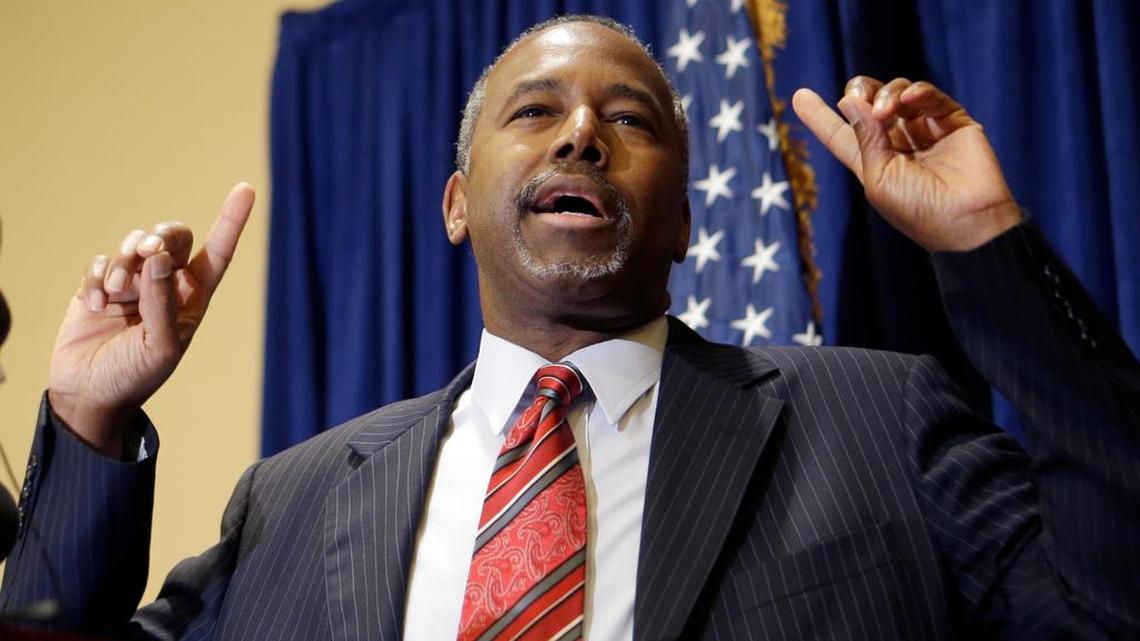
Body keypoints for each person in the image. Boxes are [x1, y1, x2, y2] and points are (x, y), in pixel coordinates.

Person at [2, 13, 1138, 641]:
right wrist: (88, 419)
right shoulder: (289, 503)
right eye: (535, 112)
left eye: (628, 117)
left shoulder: (878, 421)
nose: (581, 134)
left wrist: (987, 238)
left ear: (688, 218)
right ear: (455, 203)